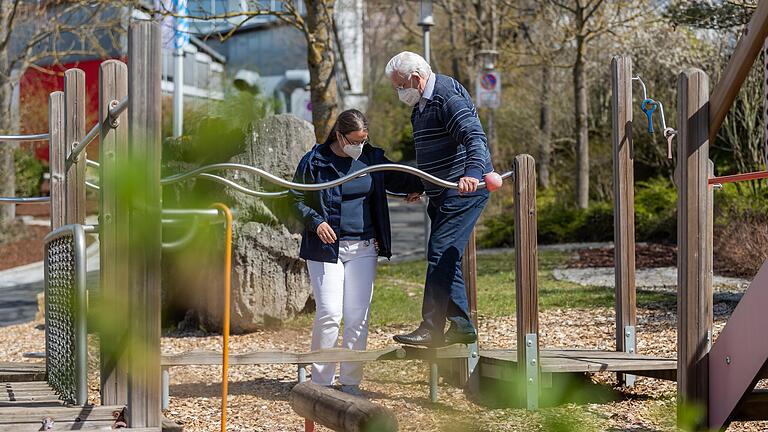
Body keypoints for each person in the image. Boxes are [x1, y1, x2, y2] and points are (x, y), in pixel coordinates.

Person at [291, 109, 423, 395]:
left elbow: (396, 178)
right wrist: (316, 222)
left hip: (364, 247)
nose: (359, 145)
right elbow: (295, 198)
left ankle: (350, 382)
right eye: (355, 140)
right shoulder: (315, 160)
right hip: (326, 249)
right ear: (339, 135)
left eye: (364, 139)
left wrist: (415, 188)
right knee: (329, 313)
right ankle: (321, 382)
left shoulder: (371, 158)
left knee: (357, 316)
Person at [384, 51, 494, 347]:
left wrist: (472, 172)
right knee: (446, 256)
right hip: (440, 189)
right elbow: (433, 152)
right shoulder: (419, 105)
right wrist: (421, 184)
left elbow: (474, 137)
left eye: (400, 86)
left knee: (439, 251)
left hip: (463, 189)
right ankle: (461, 326)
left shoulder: (446, 97)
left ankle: (431, 327)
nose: (399, 92)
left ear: (417, 79)